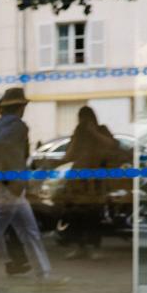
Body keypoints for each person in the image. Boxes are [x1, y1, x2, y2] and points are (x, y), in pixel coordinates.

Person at [61, 106, 114, 260]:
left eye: (86, 118)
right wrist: (77, 137)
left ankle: (93, 246)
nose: (83, 122)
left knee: (94, 213)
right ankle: (80, 246)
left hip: (95, 179)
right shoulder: (79, 133)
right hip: (78, 179)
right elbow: (69, 155)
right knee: (76, 213)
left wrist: (93, 132)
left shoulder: (101, 130)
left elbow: (112, 145)